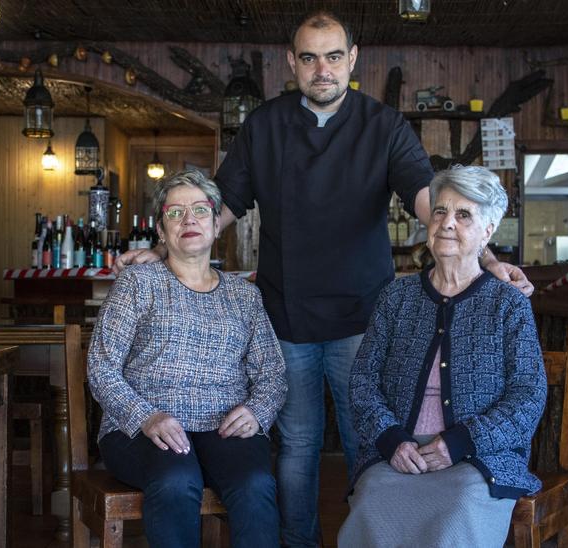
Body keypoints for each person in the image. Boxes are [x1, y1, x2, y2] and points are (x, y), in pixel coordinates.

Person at [117, 11, 533, 546]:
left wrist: (488, 258)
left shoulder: (384, 125)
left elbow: (431, 201)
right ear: (292, 63)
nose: (322, 69)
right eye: (309, 58)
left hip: (365, 316)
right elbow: (222, 205)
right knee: (296, 444)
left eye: (333, 57)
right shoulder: (264, 125)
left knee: (371, 441)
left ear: (352, 60)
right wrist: (162, 248)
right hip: (286, 316)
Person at [340, 166, 546, 547]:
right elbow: (363, 380)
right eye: (440, 211)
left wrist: (460, 442)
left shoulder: (508, 304)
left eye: (463, 214)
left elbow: (527, 396)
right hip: (400, 454)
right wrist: (391, 440)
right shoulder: (396, 297)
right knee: (370, 506)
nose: (447, 223)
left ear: (487, 232)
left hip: (478, 459)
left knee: (457, 514)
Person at [87, 169, 287, 548]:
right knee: (177, 481)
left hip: (224, 425)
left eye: (199, 210)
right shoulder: (138, 283)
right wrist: (145, 416)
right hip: (143, 427)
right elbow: (101, 367)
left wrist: (258, 411)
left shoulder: (244, 296)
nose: (189, 219)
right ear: (161, 231)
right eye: (175, 213)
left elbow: (272, 374)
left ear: (216, 225)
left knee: (256, 484)